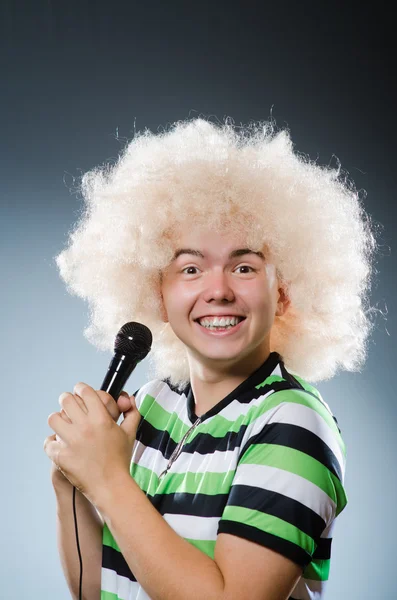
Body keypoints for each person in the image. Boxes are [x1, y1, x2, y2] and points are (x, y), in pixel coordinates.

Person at [44, 117, 379, 600]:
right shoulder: (152, 402)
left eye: (244, 267)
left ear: (283, 293)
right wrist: (73, 483)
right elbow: (101, 590)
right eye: (190, 267)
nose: (217, 290)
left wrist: (109, 479)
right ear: (157, 292)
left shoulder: (294, 425)